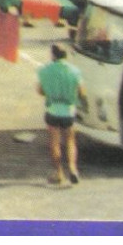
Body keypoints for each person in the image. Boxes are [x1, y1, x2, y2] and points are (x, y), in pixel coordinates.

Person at [36, 44, 85, 186]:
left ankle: (59, 173)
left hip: (52, 111)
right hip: (69, 111)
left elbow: (40, 91)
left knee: (55, 142)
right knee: (70, 141)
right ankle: (72, 168)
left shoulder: (44, 70)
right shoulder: (75, 71)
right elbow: (82, 92)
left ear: (53, 55)